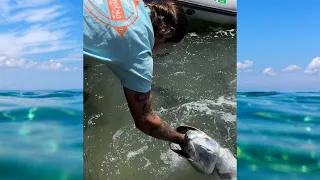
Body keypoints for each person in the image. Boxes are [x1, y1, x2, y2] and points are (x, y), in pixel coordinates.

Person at [83, 0, 188, 145]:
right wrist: (183, 139)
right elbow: (146, 121)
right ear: (164, 36)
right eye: (166, 48)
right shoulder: (139, 51)